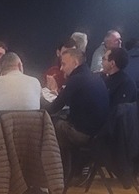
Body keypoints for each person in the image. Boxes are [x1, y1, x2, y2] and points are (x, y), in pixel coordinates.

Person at [46, 44, 110, 179]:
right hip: (99, 134)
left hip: (84, 135)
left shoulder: (76, 80)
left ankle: (60, 173)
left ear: (75, 63)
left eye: (64, 64)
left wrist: (39, 106)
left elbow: (54, 108)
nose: (61, 68)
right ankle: (75, 168)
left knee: (49, 125)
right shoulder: (94, 77)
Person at [0, 51, 42, 123]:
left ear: (1, 68)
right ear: (20, 65)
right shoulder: (35, 81)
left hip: (1, 129)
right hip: (31, 129)